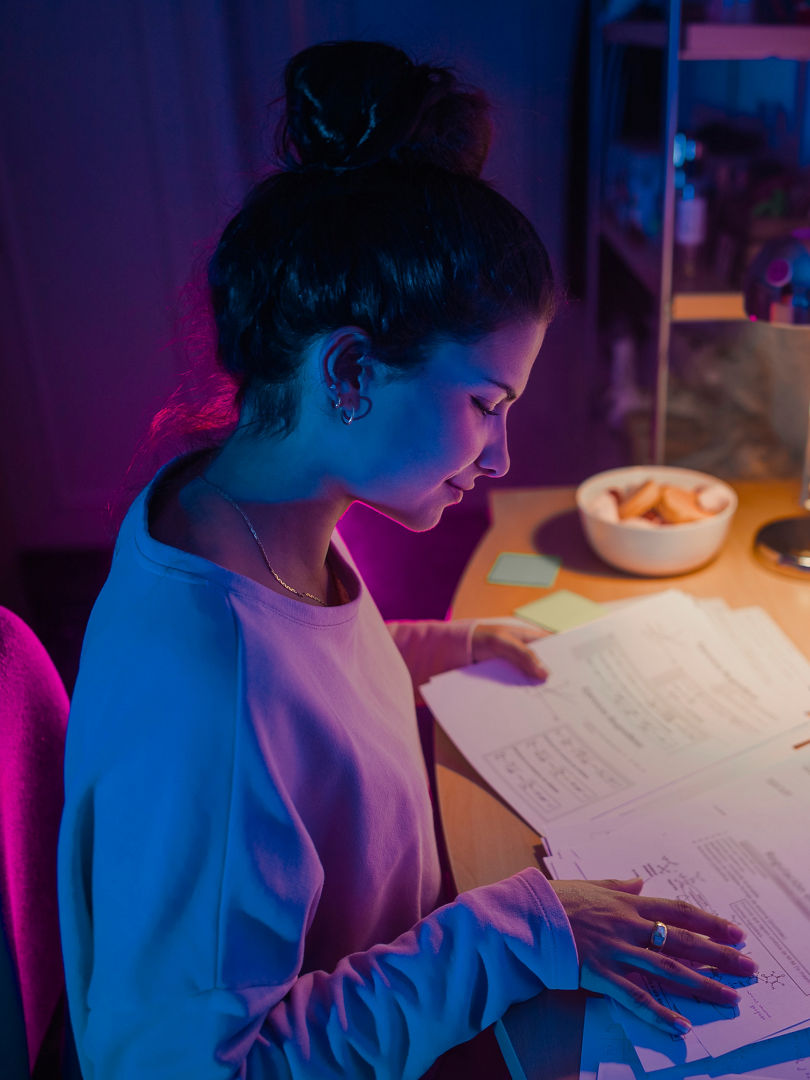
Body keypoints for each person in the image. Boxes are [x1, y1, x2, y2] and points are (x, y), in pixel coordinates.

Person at [57, 40, 756, 1080]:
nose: (502, 454)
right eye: (486, 404)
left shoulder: (245, 512)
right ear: (349, 369)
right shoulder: (203, 702)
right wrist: (511, 935)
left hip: (414, 981)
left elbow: (302, 681)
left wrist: (440, 647)